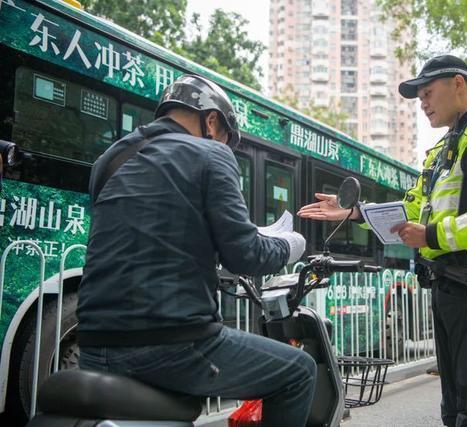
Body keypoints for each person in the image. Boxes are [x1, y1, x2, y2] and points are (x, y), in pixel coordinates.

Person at [298, 54, 467, 426]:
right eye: (418, 96)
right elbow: (413, 207)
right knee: (453, 406)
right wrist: (355, 212)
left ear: (458, 84)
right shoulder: (441, 153)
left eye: (427, 93)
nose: (422, 103)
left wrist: (433, 235)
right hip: (448, 289)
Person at [76, 75, 316, 427]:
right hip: (169, 343)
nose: (224, 146)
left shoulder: (109, 160)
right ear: (212, 120)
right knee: (299, 372)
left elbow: (146, 230)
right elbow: (245, 255)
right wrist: (289, 245)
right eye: (225, 139)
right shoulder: (211, 154)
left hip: (94, 345)